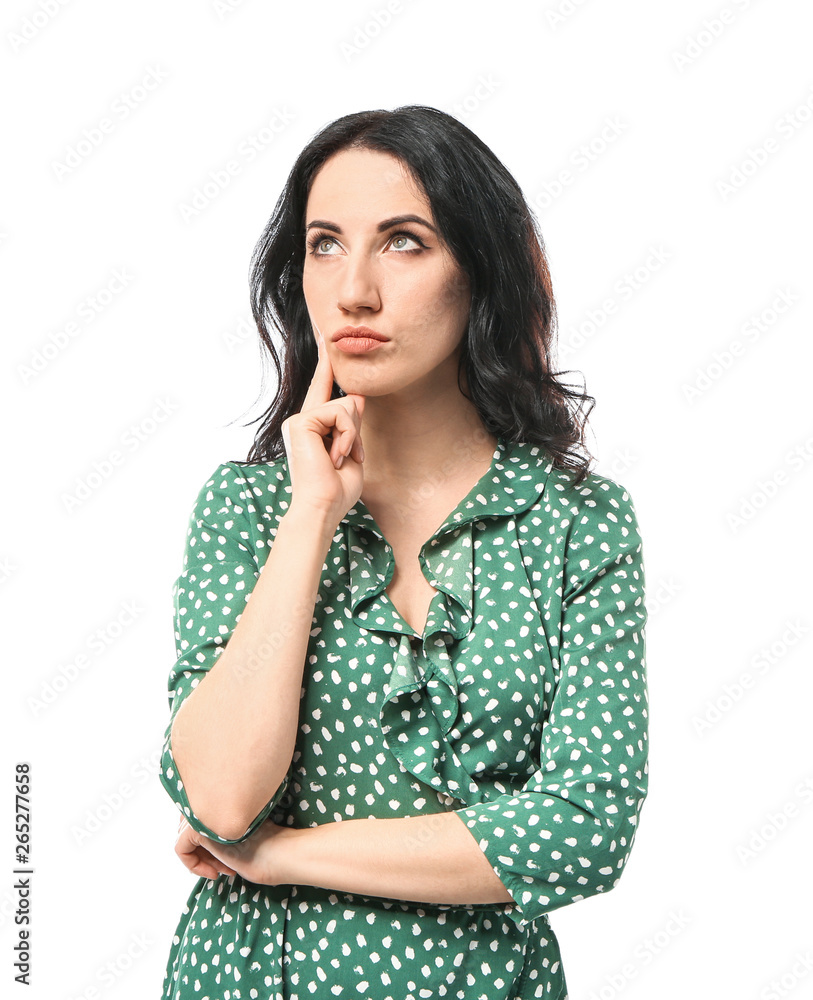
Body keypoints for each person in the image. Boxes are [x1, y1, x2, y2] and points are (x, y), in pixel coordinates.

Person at [158, 105, 649, 1000]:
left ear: (481, 272)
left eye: (404, 243)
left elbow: (582, 830)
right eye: (323, 244)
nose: (352, 290)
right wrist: (310, 515)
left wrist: (283, 857)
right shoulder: (249, 508)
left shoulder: (578, 522)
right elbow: (221, 799)